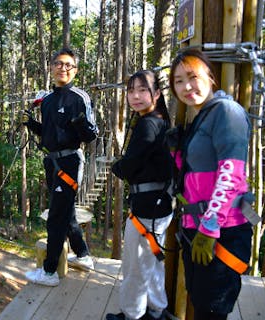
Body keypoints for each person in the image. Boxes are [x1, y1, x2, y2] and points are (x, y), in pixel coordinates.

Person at [168, 49, 253, 320]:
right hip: (199, 226)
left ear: (211, 77)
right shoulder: (201, 117)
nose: (186, 86)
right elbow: (196, 175)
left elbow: (231, 174)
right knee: (202, 300)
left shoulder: (227, 112)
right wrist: (177, 151)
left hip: (221, 231)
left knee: (212, 309)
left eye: (192, 76)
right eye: (178, 81)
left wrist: (210, 227)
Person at [23, 47, 99, 286]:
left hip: (69, 161)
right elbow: (48, 133)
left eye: (68, 65)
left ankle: (49, 272)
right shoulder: (47, 99)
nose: (62, 68)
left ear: (75, 70)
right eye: (58, 63)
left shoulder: (79, 97)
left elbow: (91, 136)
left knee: (56, 215)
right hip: (52, 161)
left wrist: (80, 124)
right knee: (66, 212)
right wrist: (33, 125)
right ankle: (84, 256)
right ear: (51, 67)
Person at [106, 70, 173, 320]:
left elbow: (130, 165)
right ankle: (156, 309)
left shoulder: (148, 124)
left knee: (135, 266)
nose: (135, 96)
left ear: (156, 94)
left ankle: (132, 314)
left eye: (142, 90)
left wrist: (117, 167)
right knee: (152, 263)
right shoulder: (159, 121)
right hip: (159, 205)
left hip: (147, 209)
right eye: (131, 90)